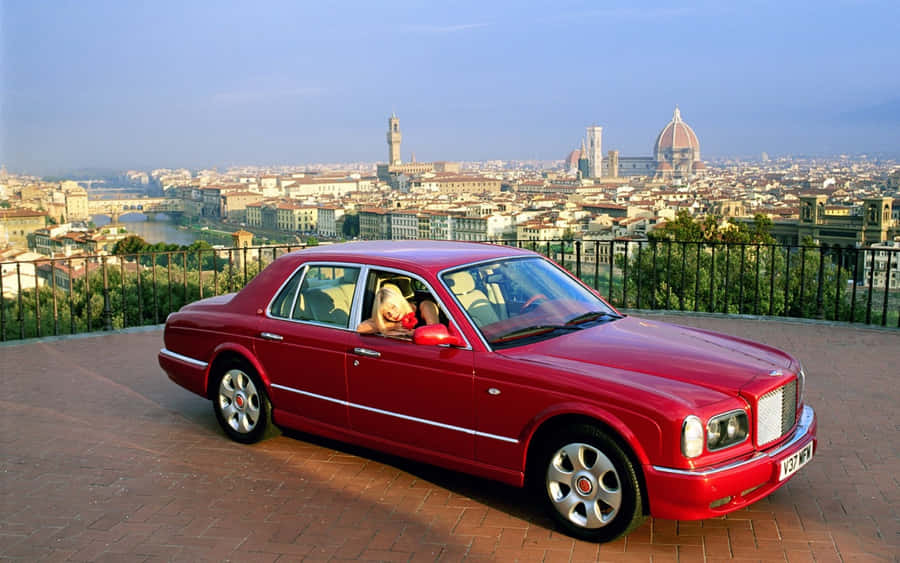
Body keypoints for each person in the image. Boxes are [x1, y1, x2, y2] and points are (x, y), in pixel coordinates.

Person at [357, 283, 440, 336]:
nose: (392, 314)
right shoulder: (390, 321)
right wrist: (395, 326)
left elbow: (435, 333)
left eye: (393, 307)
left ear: (400, 301)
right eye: (387, 313)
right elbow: (360, 328)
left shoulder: (425, 305)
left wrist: (412, 333)